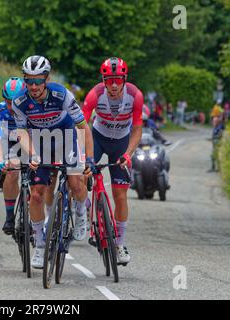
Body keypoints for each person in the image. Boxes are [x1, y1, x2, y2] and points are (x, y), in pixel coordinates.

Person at [10, 55, 95, 269]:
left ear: (46, 79)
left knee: (76, 183)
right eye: (29, 80)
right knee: (36, 193)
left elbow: (84, 127)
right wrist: (32, 154)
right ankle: (39, 244)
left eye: (38, 80)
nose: (34, 85)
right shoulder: (19, 101)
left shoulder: (62, 94)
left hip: (67, 138)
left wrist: (90, 158)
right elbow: (21, 132)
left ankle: (80, 212)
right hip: (40, 143)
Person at [83, 57, 144, 266]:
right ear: (104, 80)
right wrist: (86, 157)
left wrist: (128, 154)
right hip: (98, 138)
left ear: (124, 79)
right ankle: (84, 206)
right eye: (109, 80)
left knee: (120, 194)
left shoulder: (135, 96)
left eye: (118, 80)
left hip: (121, 142)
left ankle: (119, 243)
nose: (114, 85)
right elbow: (81, 125)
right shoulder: (95, 95)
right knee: (80, 174)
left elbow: (137, 129)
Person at [0, 77, 26, 234]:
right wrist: (0, 160)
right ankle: (10, 216)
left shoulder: (30, 108)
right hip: (7, 143)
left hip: (28, 140)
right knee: (12, 171)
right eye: (8, 102)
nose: (12, 106)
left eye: (16, 102)